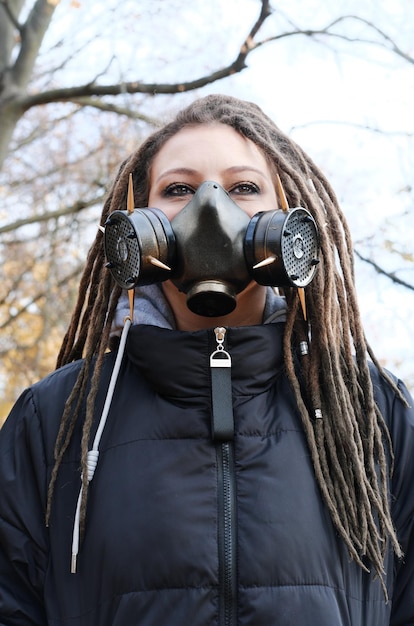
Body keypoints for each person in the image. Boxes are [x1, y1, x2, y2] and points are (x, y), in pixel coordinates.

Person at [0, 94, 413, 626]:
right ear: (140, 223)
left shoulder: (374, 414)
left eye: (243, 187)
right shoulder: (56, 418)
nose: (211, 207)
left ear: (287, 219)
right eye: (178, 189)